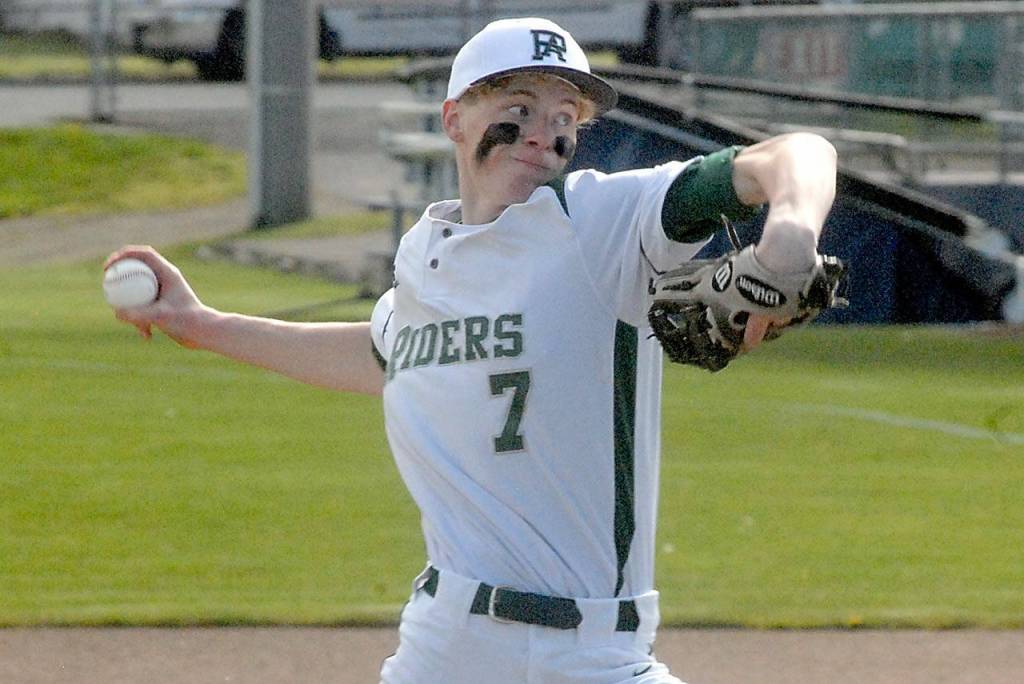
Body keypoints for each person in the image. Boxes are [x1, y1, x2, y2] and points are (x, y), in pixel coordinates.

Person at [108, 16, 837, 684]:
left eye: (563, 118)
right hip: (444, 646)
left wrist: (789, 236)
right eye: (515, 107)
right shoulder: (426, 255)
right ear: (454, 119)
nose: (541, 132)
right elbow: (387, 356)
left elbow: (799, 153)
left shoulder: (598, 219)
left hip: (593, 657)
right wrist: (200, 324)